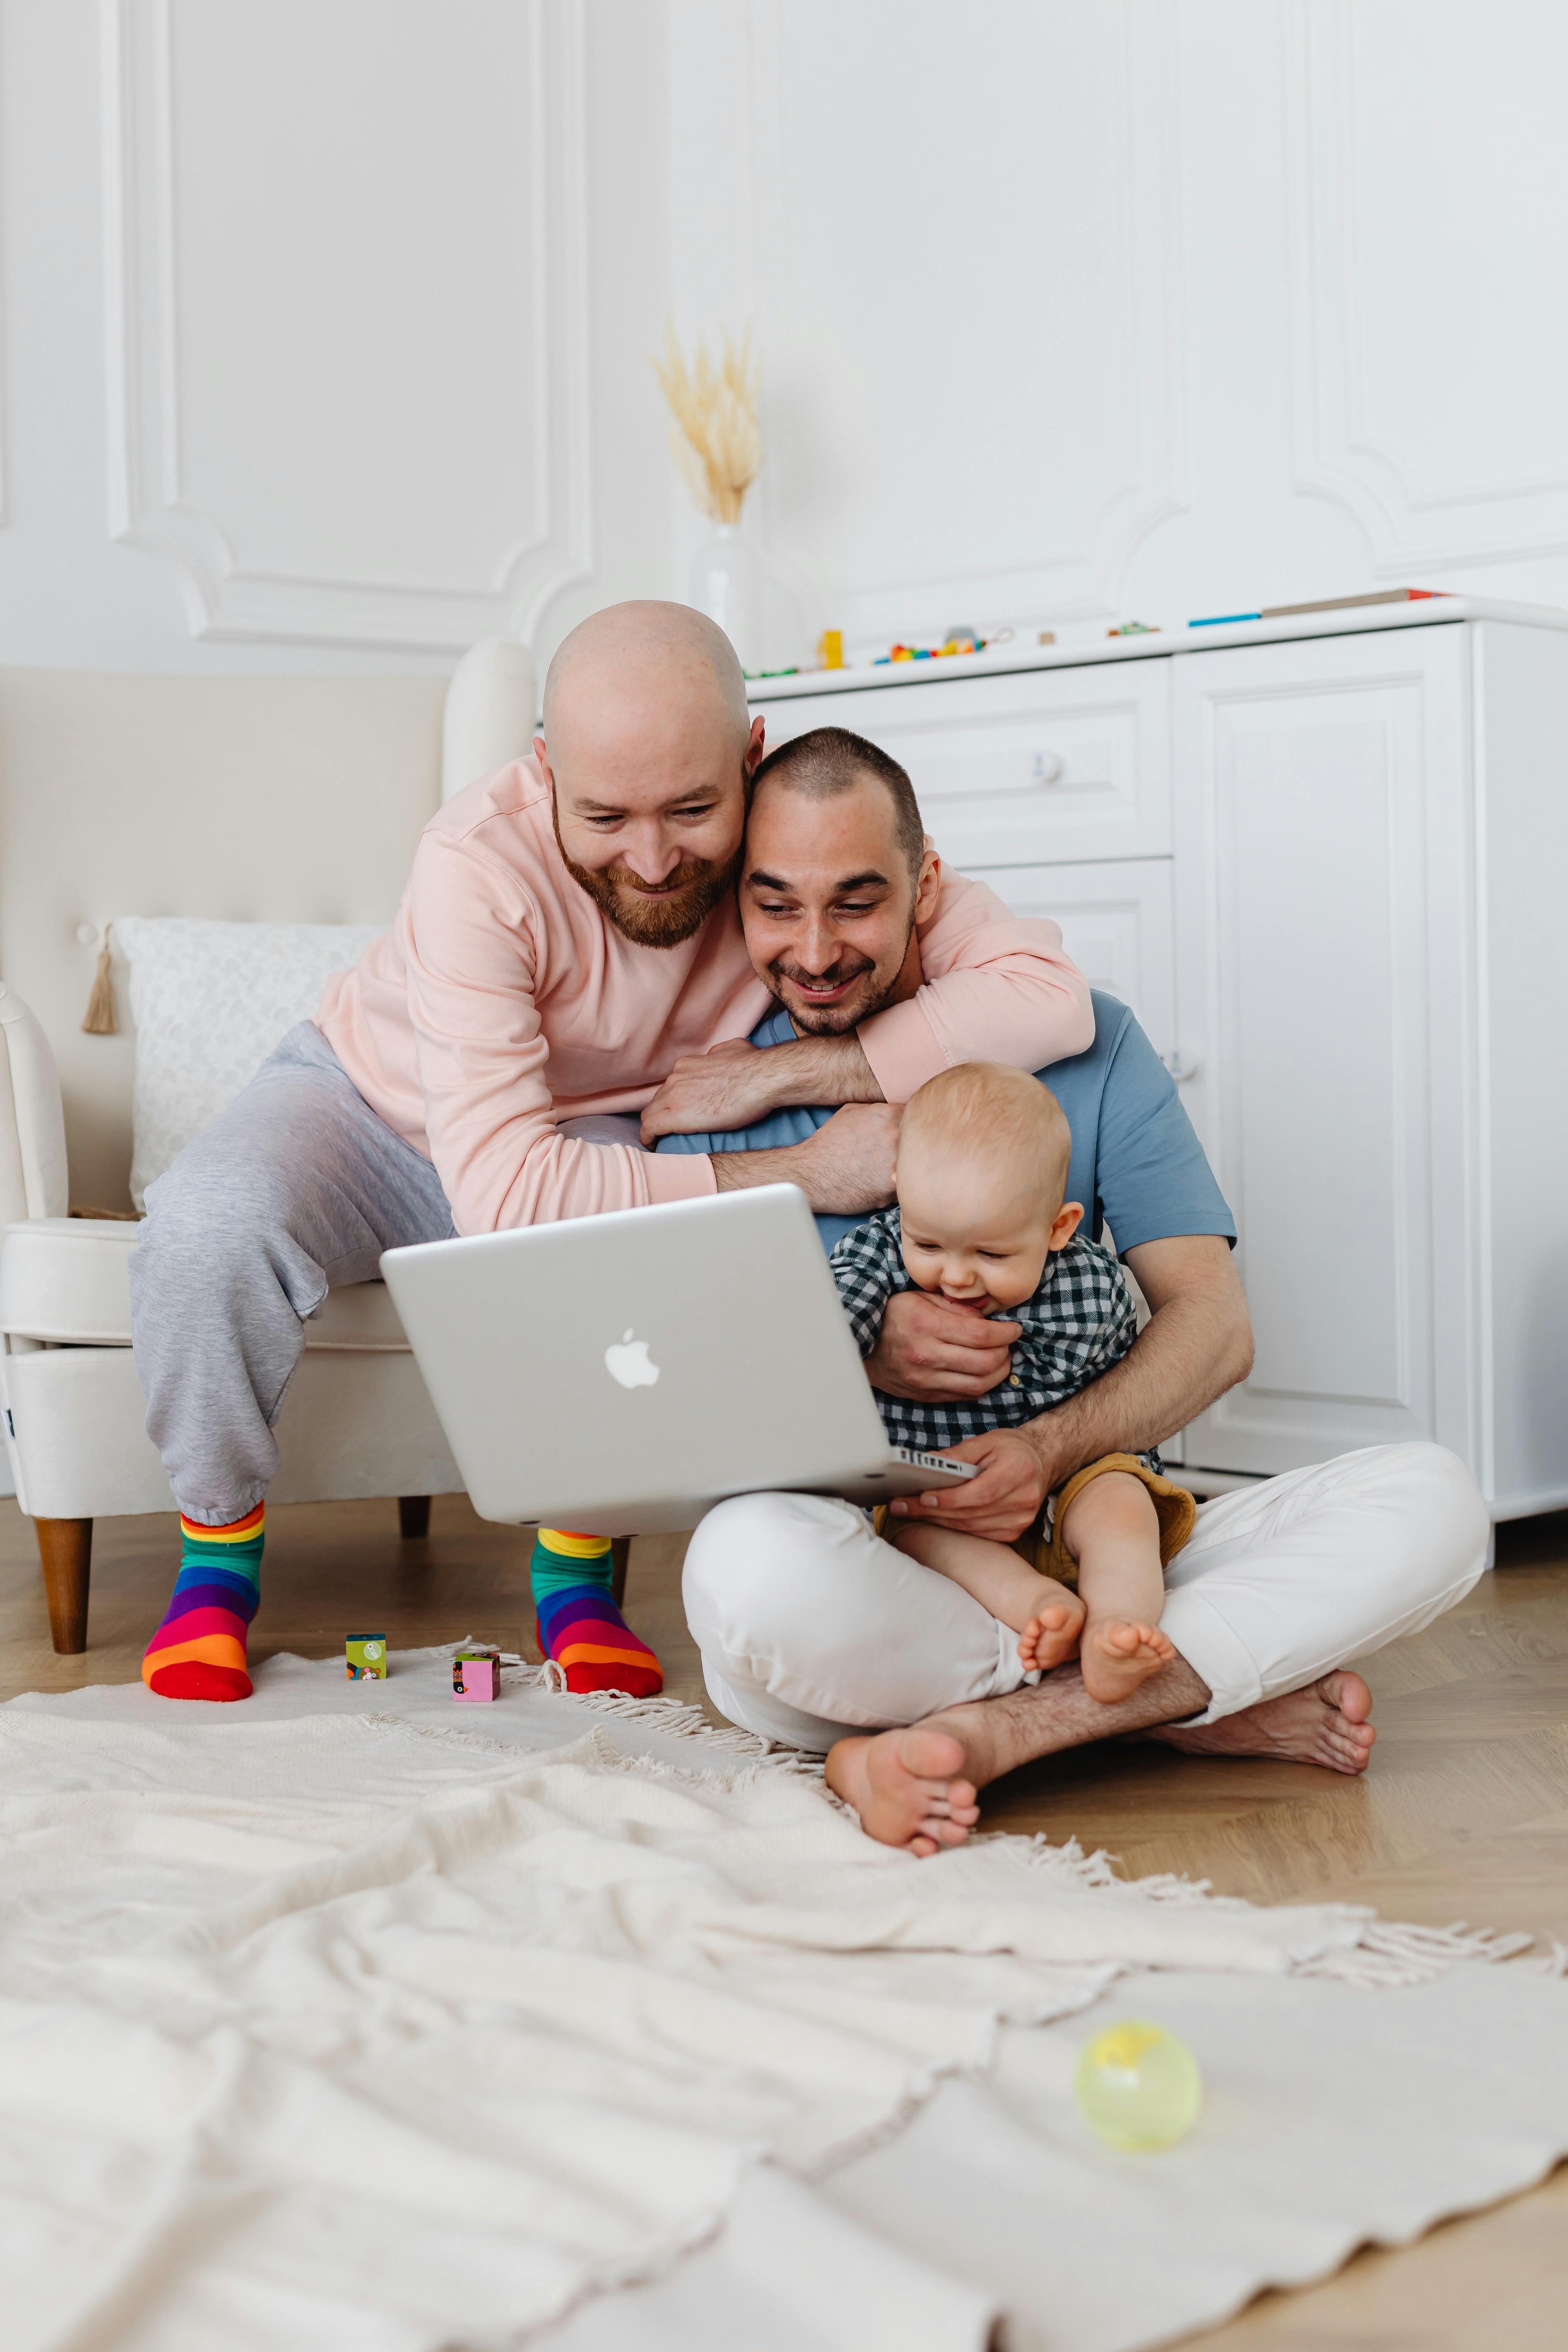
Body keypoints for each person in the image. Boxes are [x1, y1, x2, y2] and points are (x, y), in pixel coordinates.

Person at [127, 606, 1094, 1704]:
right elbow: (506, 1196)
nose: (652, 858)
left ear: (751, 755)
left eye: (692, 809)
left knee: (615, 1268)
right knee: (206, 1228)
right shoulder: (475, 862)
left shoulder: (801, 839)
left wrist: (799, 1074)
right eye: (604, 816)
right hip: (364, 1104)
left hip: (591, 1131)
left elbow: (1048, 999)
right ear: (544, 772)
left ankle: (576, 1582)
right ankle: (214, 1562)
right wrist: (803, 1168)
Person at [663, 727, 1491, 1855]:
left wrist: (1047, 1452)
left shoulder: (1091, 1045)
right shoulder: (710, 1084)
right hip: (883, 1562)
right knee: (746, 1576)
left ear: (926, 886)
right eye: (775, 906)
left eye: (857, 902)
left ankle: (1005, 1732)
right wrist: (858, 1355)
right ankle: (1167, 1703)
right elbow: (670, 1377)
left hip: (1086, 1537)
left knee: (1435, 1501)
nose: (814, 951)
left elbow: (1214, 1325)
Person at [831, 1060, 1193, 1702]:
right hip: (940, 1497)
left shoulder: (1093, 1285)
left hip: (1068, 1486)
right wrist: (862, 1344)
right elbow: (827, 1328)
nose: (956, 1278)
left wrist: (1092, 1467)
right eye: (931, 1245)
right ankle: (1040, 1610)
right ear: (899, 1193)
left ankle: (1121, 1628)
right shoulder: (878, 1252)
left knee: (1121, 1498)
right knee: (917, 1535)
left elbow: (1123, 1408)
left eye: (992, 1256)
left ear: (1059, 1227)